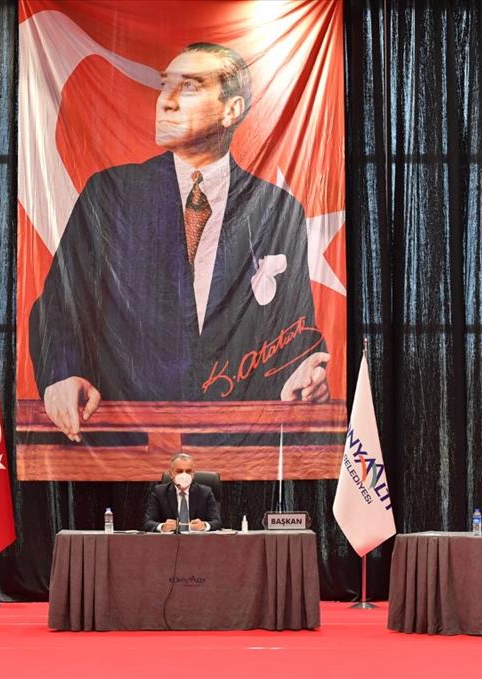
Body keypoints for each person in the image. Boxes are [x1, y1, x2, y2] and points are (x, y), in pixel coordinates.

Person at [30, 42, 330, 442]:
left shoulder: (277, 209)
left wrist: (302, 375)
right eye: (164, 85)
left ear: (231, 110)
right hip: (125, 440)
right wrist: (62, 374)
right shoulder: (110, 193)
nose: (165, 102)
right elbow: (60, 303)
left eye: (189, 87)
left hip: (237, 441)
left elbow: (294, 327)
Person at [143, 453, 222, 532]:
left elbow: (217, 522)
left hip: (196, 538)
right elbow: (147, 523)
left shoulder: (205, 492)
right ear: (171, 474)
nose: (184, 475)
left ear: (193, 474)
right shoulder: (159, 492)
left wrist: (204, 525)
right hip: (170, 539)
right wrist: (163, 526)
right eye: (179, 471)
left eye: (188, 471)